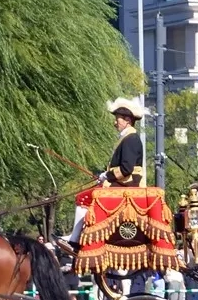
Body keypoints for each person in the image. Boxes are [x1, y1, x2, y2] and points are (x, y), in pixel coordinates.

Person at [60, 97, 146, 252]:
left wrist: (108, 176)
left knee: (84, 198)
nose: (115, 123)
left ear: (127, 120)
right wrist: (106, 175)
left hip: (128, 184)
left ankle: (75, 240)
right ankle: (78, 236)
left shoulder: (131, 139)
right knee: (85, 195)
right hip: (122, 183)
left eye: (117, 119)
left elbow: (126, 169)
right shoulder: (127, 138)